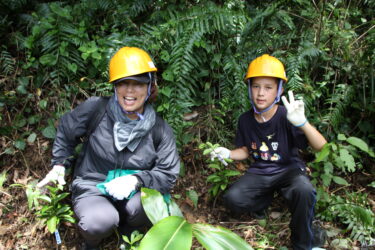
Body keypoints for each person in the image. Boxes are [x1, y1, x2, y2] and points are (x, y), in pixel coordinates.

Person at [37, 47, 180, 250]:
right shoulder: (96, 109)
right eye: (123, 83)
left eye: (138, 84)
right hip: (93, 186)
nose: (129, 91)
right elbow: (67, 130)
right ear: (114, 87)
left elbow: (168, 173)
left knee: (144, 207)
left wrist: (136, 180)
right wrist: (59, 163)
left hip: (134, 194)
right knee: (98, 222)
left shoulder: (159, 129)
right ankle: (91, 242)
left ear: (150, 87)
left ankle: (129, 231)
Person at [210, 54, 327, 250]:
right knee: (233, 199)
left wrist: (302, 123)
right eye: (256, 86)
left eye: (268, 87)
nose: (261, 93)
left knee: (304, 190)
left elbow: (321, 146)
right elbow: (246, 151)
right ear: (249, 88)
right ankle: (265, 201)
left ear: (279, 90)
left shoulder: (286, 115)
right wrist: (228, 153)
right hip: (261, 171)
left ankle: (303, 243)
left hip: (289, 169)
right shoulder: (245, 120)